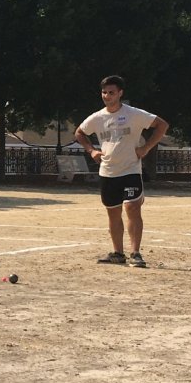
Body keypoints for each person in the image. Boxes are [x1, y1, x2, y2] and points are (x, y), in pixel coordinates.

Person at [75, 75, 169, 269]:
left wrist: (146, 148)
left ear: (120, 93)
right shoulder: (98, 117)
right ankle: (118, 253)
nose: (107, 96)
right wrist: (92, 150)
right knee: (113, 213)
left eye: (111, 92)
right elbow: (79, 132)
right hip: (108, 171)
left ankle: (135, 253)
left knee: (132, 208)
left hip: (130, 170)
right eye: (104, 92)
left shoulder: (134, 114)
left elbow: (162, 125)